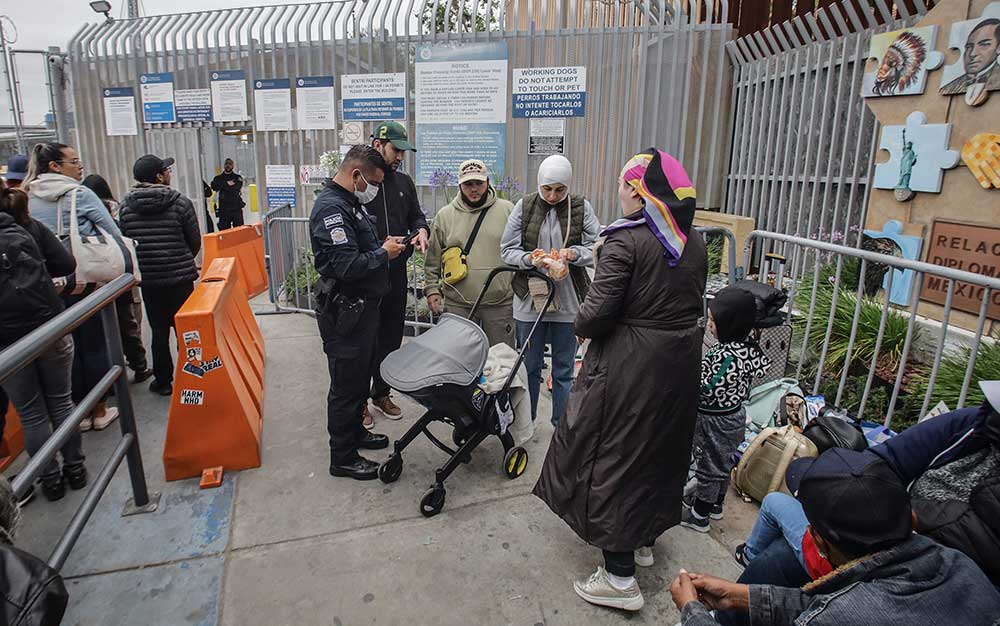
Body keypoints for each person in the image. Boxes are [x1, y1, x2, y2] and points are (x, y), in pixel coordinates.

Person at [533, 149, 707, 611]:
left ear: (636, 190)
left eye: (621, 183)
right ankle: (643, 539)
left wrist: (571, 278)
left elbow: (594, 317)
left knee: (612, 454)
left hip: (630, 367)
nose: (617, 192)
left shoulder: (625, 242)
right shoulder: (694, 241)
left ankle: (619, 577)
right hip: (679, 363)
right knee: (657, 450)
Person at [669, 449, 1000, 626]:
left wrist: (691, 613)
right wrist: (739, 596)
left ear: (821, 542)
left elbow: (835, 613)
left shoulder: (849, 613)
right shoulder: (962, 566)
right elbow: (822, 605)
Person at [309, 145, 405, 481]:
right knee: (346, 387)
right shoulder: (331, 210)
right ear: (356, 175)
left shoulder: (349, 204)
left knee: (359, 379)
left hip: (362, 311)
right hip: (345, 312)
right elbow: (347, 266)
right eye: (373, 182)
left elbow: (359, 248)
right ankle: (343, 457)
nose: (375, 189)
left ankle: (356, 436)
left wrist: (382, 245)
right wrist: (384, 253)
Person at [23, 142, 120, 431]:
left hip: (44, 287)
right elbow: (113, 234)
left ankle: (76, 414)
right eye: (74, 161)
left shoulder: (26, 195)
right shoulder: (80, 194)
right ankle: (99, 409)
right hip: (84, 282)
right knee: (94, 345)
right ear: (55, 166)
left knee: (66, 348)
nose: (80, 167)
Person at [0, 186, 87, 502]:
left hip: (7, 345)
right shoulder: (27, 225)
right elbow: (66, 263)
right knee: (61, 401)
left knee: (32, 413)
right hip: (48, 328)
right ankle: (76, 468)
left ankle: (49, 480)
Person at [500, 155, 599, 427]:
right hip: (530, 301)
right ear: (539, 185)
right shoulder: (525, 206)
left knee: (564, 369)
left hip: (567, 302)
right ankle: (526, 422)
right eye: (547, 189)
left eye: (560, 189)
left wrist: (572, 254)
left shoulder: (580, 207)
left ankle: (561, 425)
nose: (553, 196)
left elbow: (598, 247)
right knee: (529, 367)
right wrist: (531, 259)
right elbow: (507, 250)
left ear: (568, 186)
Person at [681, 287, 770, 532]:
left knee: (709, 466)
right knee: (723, 462)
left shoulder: (726, 355)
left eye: (713, 321)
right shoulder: (750, 348)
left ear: (729, 324)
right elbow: (760, 369)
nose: (709, 325)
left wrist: (687, 379)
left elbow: (708, 386)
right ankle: (716, 505)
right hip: (735, 414)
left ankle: (700, 515)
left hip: (715, 419)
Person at [363, 122, 429, 428]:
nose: (400, 156)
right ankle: (358, 402)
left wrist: (421, 231)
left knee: (390, 337)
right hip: (366, 276)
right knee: (363, 341)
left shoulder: (403, 182)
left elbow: (416, 216)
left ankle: (381, 393)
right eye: (396, 150)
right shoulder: (360, 183)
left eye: (403, 151)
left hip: (396, 274)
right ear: (378, 146)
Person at [119, 155, 201, 397]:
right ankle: (192, 380)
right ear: (158, 176)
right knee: (186, 332)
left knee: (158, 331)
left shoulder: (126, 206)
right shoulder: (180, 203)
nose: (169, 174)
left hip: (151, 282)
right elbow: (194, 242)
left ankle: (163, 381)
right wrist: (180, 259)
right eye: (167, 170)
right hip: (180, 280)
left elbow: (127, 243)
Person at [424, 159, 515, 348]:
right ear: (459, 185)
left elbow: (519, 250)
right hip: (458, 305)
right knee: (459, 361)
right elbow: (433, 258)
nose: (474, 189)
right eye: (468, 184)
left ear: (488, 182)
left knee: (501, 362)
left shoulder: (507, 210)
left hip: (499, 304)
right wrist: (432, 289)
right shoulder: (445, 216)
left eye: (479, 183)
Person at [82, 174, 153, 391]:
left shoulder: (78, 213)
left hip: (90, 279)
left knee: (98, 332)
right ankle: (139, 365)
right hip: (118, 275)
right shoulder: (116, 209)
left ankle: (109, 377)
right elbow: (124, 238)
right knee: (129, 321)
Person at [940, 18, 1000, 96]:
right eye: (969, 47)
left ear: (998, 48)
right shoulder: (949, 87)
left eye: (984, 44)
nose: (972, 54)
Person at [210, 158, 245, 230]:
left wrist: (223, 185)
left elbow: (236, 187)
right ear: (224, 165)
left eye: (230, 164)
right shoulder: (218, 178)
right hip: (224, 210)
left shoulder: (237, 177)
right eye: (226, 164)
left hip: (236, 208)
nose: (228, 166)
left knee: (239, 231)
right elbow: (214, 186)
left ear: (233, 166)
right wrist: (228, 184)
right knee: (224, 232)